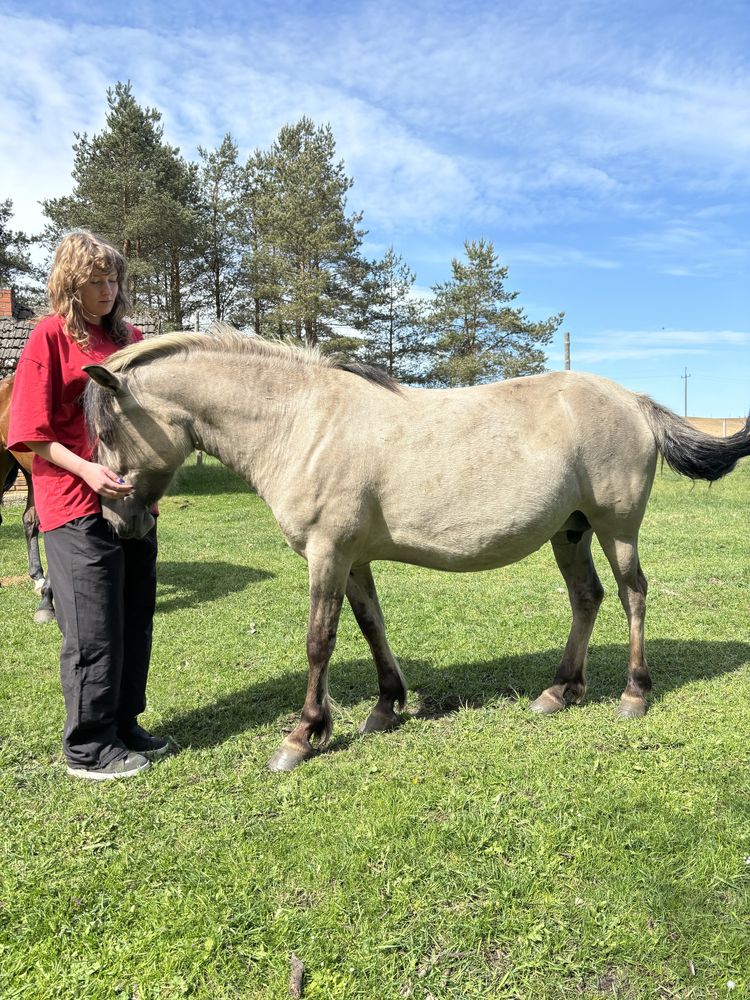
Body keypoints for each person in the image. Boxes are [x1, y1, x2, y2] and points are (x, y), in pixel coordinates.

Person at [7, 230, 168, 780]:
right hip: (73, 500)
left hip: (133, 504)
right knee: (93, 627)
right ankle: (88, 746)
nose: (107, 289)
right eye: (95, 281)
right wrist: (88, 470)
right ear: (71, 285)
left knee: (133, 618)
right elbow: (29, 432)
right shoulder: (49, 337)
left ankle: (124, 723)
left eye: (113, 279)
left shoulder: (131, 338)